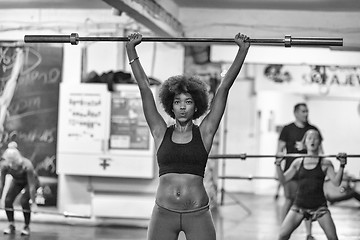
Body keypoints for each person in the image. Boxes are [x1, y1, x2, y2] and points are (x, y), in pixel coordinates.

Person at [126, 32, 250, 240]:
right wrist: (131, 49)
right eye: (177, 101)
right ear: (170, 106)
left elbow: (225, 87)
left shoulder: (205, 132)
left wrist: (242, 51)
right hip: (163, 214)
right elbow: (144, 87)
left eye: (188, 101)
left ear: (197, 106)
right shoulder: (159, 132)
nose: (182, 106)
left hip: (197, 214)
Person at [275, 129, 347, 240]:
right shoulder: (298, 162)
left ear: (319, 142)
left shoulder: (325, 163)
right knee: (282, 235)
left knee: (333, 238)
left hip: (319, 208)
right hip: (299, 206)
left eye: (315, 138)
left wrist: (342, 165)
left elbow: (336, 182)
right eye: (309, 138)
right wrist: (278, 165)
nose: (312, 140)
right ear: (305, 142)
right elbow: (283, 180)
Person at [276, 102, 324, 240]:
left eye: (307, 111)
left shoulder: (313, 129)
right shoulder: (287, 129)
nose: (306, 114)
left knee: (307, 202)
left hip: (309, 172)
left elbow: (321, 150)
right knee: (289, 199)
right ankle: (283, 228)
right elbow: (279, 150)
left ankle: (309, 234)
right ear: (296, 113)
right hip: (292, 171)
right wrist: (277, 167)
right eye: (303, 111)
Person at [0, 141, 38, 236]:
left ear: (17, 160)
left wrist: (33, 203)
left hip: (30, 182)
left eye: (13, 162)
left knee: (24, 201)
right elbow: (1, 183)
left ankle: (26, 226)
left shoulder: (27, 165)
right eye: (10, 162)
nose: (11, 164)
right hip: (17, 181)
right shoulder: (5, 165)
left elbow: (32, 186)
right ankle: (11, 225)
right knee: (8, 200)